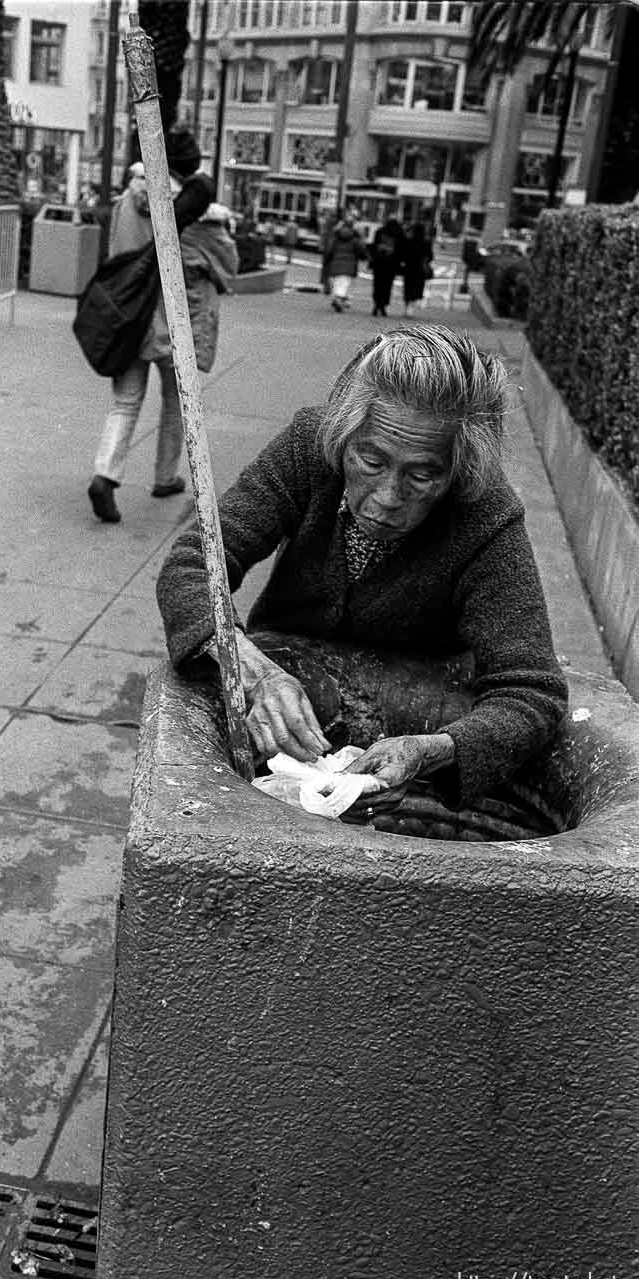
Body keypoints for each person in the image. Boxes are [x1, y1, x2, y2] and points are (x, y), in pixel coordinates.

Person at [156, 324, 568, 834]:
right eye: (371, 461)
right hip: (285, 691)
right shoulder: (309, 450)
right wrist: (255, 674)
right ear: (344, 438)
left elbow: (531, 692)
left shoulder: (485, 517)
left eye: (422, 475)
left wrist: (432, 750)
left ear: (457, 468)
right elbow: (195, 565)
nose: (389, 496)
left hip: (405, 737)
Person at [88, 130, 214, 525]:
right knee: (176, 401)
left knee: (125, 403)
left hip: (127, 320)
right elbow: (207, 258)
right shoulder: (180, 205)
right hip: (167, 321)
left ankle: (105, 476)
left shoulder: (123, 201)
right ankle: (164, 476)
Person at [177, 201, 239, 374]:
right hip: (198, 299)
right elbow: (230, 266)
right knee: (181, 373)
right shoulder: (212, 234)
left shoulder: (178, 224)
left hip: (159, 300)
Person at [322, 211, 366, 312]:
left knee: (337, 283)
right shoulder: (355, 239)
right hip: (349, 266)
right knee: (344, 283)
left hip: (335, 264)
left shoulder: (336, 238)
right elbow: (361, 251)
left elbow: (329, 250)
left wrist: (327, 261)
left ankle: (338, 299)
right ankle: (339, 300)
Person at [370, 216, 404, 317]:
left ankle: (376, 305)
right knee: (387, 286)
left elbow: (374, 246)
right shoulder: (398, 234)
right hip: (391, 264)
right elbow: (401, 250)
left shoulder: (380, 232)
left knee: (377, 284)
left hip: (379, 263)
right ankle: (383, 305)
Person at [401, 218, 433, 317]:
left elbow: (404, 255)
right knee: (416, 288)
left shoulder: (409, 241)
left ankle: (407, 308)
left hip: (409, 268)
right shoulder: (426, 242)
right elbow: (430, 256)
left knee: (408, 287)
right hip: (420, 269)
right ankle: (411, 308)